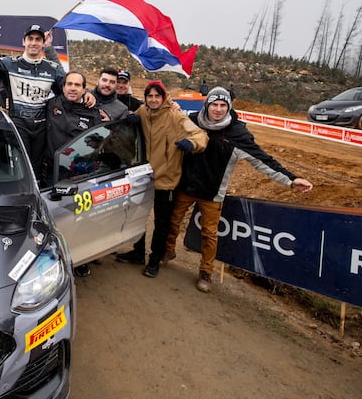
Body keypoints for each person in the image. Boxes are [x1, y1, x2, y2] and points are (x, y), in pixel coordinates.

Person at [166, 86, 313, 292]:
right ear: (207, 105)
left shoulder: (237, 133)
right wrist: (170, 107)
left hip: (213, 192)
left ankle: (206, 273)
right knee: (172, 221)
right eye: (214, 105)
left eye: (223, 105)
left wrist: (291, 180)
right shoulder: (192, 121)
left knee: (209, 234)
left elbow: (263, 160)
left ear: (229, 106)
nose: (218, 109)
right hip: (187, 185)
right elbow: (170, 119)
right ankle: (167, 251)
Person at [116, 80, 208, 278]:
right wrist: (131, 118)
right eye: (150, 96)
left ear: (164, 97)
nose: (154, 99)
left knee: (161, 224)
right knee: (137, 218)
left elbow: (200, 135)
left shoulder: (175, 115)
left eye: (157, 96)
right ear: (146, 98)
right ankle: (138, 252)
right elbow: (126, 109)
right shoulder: (142, 111)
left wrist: (191, 143)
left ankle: (155, 260)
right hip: (143, 178)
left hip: (166, 180)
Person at [0, 21, 92, 175]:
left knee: (36, 170)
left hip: (42, 127)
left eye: (38, 39)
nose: (34, 43)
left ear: (43, 43)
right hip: (19, 123)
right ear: (24, 41)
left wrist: (87, 92)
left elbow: (68, 88)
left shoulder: (52, 68)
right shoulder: (10, 63)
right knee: (20, 167)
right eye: (30, 39)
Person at [44, 71, 109, 278]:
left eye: (77, 85)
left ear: (84, 89)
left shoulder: (94, 113)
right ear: (63, 87)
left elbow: (103, 140)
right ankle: (50, 256)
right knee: (51, 217)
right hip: (51, 173)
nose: (72, 88)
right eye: (69, 84)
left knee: (79, 217)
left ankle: (79, 257)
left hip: (80, 176)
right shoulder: (50, 105)